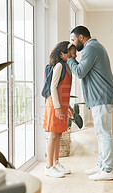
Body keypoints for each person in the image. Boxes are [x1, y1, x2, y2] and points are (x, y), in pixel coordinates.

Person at [61, 26, 113, 181]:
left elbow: (79, 72)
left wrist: (70, 59)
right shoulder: (94, 47)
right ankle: (101, 165)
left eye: (73, 39)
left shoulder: (90, 48)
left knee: (104, 133)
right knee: (101, 133)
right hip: (101, 96)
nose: (73, 43)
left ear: (81, 37)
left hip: (102, 96)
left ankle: (107, 170)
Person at [43, 41, 77, 178]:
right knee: (52, 135)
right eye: (71, 53)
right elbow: (53, 87)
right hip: (54, 105)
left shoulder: (68, 67)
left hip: (62, 105)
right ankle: (48, 166)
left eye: (74, 53)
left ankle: (56, 163)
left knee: (58, 135)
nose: (74, 55)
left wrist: (67, 106)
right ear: (62, 53)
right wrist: (57, 107)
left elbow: (65, 90)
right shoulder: (59, 66)